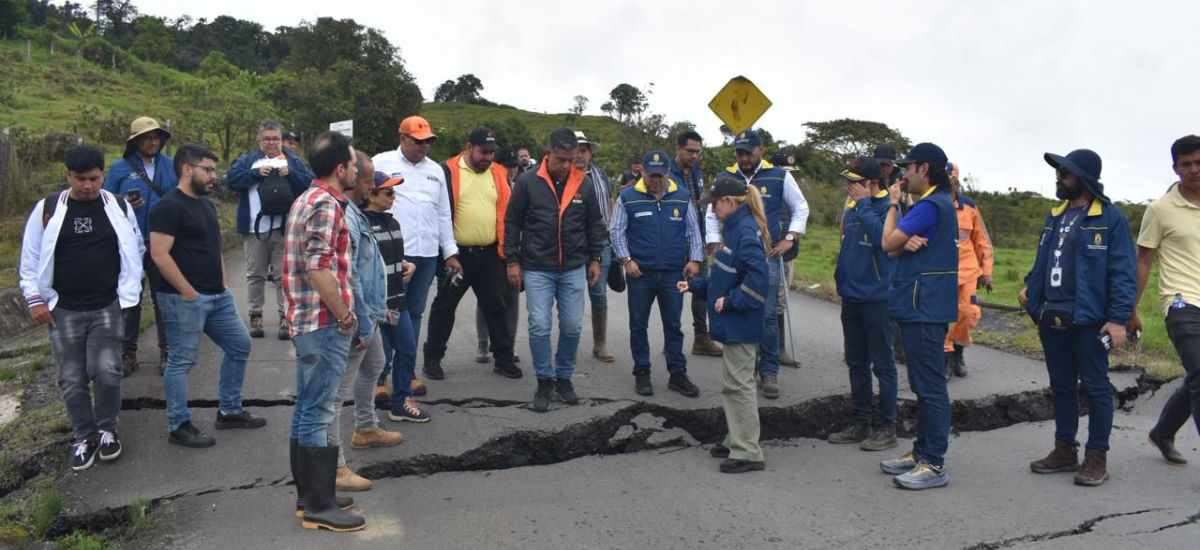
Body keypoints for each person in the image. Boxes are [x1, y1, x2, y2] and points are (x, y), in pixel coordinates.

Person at [21, 145, 144, 471]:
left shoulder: (117, 206)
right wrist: (35, 299)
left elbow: (135, 247)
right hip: (63, 309)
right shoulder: (47, 208)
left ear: (103, 174)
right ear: (67, 175)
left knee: (107, 370)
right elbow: (30, 257)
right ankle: (84, 436)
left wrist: (126, 293)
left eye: (94, 178)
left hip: (107, 305)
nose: (87, 185)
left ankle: (107, 429)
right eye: (80, 179)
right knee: (71, 377)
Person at [1019, 149, 1135, 487]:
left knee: (1096, 387)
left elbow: (1123, 273)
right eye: (1058, 172)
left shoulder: (1110, 218)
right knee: (1061, 386)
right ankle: (1064, 449)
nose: (1058, 178)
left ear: (1083, 178)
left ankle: (1096, 456)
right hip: (1051, 316)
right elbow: (1043, 260)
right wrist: (1029, 286)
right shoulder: (1055, 215)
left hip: (1090, 320)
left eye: (1065, 173)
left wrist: (1117, 319)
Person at [150, 144, 266, 449]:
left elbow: (213, 247)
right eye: (208, 169)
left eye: (214, 170)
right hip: (183, 299)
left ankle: (229, 410)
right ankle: (179, 424)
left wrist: (224, 282)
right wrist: (188, 291)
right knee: (182, 361)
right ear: (187, 169)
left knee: (240, 345)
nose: (214, 176)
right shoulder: (168, 206)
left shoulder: (204, 204)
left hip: (217, 296)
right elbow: (159, 255)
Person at [283, 131, 365, 532]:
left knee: (306, 407)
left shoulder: (305, 199)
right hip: (324, 322)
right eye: (352, 163)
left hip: (307, 321)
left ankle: (309, 497)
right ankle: (320, 506)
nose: (355, 168)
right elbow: (318, 267)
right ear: (339, 168)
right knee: (319, 410)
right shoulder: (329, 205)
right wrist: (345, 315)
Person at [504, 127, 604, 413]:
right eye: (561, 159)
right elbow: (513, 223)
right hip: (537, 267)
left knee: (573, 326)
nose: (566, 166)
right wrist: (513, 261)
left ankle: (563, 377)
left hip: (573, 266)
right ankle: (545, 379)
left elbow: (593, 224)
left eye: (571, 159)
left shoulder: (582, 183)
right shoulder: (527, 182)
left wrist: (595, 258)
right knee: (539, 325)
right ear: (548, 154)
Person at [705, 130, 808, 399]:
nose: (744, 157)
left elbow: (801, 207)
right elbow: (710, 215)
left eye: (748, 152)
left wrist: (789, 237)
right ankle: (746, 365)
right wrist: (715, 244)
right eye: (739, 152)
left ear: (761, 149)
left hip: (768, 256)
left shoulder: (779, 175)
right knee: (737, 306)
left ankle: (769, 368)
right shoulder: (726, 177)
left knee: (768, 312)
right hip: (733, 256)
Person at [877, 142, 957, 490]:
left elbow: (886, 243)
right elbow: (895, 249)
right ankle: (921, 452)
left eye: (908, 168)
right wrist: (898, 241)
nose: (903, 174)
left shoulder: (930, 205)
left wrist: (893, 205)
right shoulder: (935, 204)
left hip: (924, 308)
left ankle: (934, 462)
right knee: (923, 385)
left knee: (930, 387)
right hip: (919, 306)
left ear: (924, 169)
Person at [679, 175, 770, 473]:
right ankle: (735, 439)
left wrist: (731, 302)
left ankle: (747, 451)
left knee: (739, 386)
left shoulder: (745, 232)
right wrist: (695, 286)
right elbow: (724, 279)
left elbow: (757, 285)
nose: (712, 209)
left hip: (740, 323)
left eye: (715, 203)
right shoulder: (733, 229)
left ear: (730, 202)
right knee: (732, 384)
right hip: (733, 322)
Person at [327, 152, 406, 494]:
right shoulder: (343, 213)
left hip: (367, 311)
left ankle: (365, 428)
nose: (370, 184)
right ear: (347, 175)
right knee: (333, 395)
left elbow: (369, 268)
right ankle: (334, 466)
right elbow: (351, 273)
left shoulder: (356, 211)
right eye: (365, 179)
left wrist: (377, 308)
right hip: (353, 315)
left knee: (375, 363)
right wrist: (360, 320)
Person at [422, 127, 520, 379]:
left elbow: (508, 215)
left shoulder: (498, 173)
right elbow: (436, 213)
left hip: (490, 254)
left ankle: (504, 359)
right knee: (444, 306)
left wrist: (510, 254)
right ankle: (432, 359)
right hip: (456, 254)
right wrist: (446, 252)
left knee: (496, 308)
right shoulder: (447, 170)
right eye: (483, 151)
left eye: (491, 152)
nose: (487, 157)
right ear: (468, 147)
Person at [372, 116, 462, 383]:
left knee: (414, 312)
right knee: (389, 314)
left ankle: (406, 369)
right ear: (403, 138)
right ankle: (382, 375)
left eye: (428, 142)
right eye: (418, 141)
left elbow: (444, 214)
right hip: (395, 253)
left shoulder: (435, 170)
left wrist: (450, 252)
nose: (424, 146)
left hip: (427, 255)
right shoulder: (382, 162)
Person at [1129, 135, 1200, 466]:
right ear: (1175, 167)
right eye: (1186, 164)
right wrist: (1129, 308)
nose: (1194, 170)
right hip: (1181, 302)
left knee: (1198, 376)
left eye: (1199, 162)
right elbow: (1143, 260)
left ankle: (1163, 432)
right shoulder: (1160, 209)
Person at [610, 149, 703, 397]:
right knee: (638, 325)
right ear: (643, 172)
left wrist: (695, 259)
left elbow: (693, 231)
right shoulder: (627, 196)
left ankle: (677, 374)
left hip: (674, 274)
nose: (655, 180)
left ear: (667, 173)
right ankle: (642, 372)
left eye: (660, 176)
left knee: (673, 325)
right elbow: (616, 231)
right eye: (651, 175)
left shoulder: (682, 197)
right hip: (641, 274)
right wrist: (626, 260)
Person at [828, 156, 898, 451]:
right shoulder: (855, 208)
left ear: (871, 184)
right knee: (856, 362)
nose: (849, 187)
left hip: (878, 299)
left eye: (854, 183)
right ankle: (861, 421)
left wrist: (866, 204)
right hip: (852, 297)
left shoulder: (888, 208)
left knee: (883, 365)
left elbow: (883, 239)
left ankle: (887, 426)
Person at [102, 116, 178, 376]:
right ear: (135, 141)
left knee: (163, 298)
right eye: (147, 137)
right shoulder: (119, 168)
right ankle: (128, 352)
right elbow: (105, 201)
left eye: (157, 136)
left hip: (163, 241)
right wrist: (122, 202)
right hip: (129, 244)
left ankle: (167, 350)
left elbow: (181, 195)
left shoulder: (171, 165)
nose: (153, 141)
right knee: (130, 297)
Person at [227, 121, 316, 341]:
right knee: (255, 274)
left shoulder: (293, 161)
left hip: (284, 228)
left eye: (275, 138)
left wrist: (291, 174)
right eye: (266, 138)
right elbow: (231, 180)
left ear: (281, 140)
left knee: (283, 275)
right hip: (254, 228)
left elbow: (310, 183)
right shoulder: (248, 161)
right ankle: (255, 316)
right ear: (259, 140)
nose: (271, 142)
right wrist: (255, 174)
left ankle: (285, 316)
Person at [362, 172, 425, 423]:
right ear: (371, 194)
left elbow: (390, 258)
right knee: (372, 362)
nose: (393, 196)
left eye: (394, 191)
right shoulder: (360, 223)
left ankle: (401, 402)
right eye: (388, 192)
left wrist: (407, 264)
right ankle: (365, 414)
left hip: (398, 301)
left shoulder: (392, 222)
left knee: (407, 349)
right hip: (375, 305)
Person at [670, 130, 722, 357]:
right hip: (675, 242)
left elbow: (704, 206)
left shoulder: (697, 171)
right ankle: (672, 340)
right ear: (678, 149)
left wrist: (709, 237)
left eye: (697, 152)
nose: (694, 156)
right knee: (676, 292)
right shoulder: (667, 173)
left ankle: (701, 338)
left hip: (698, 242)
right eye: (690, 151)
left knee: (702, 290)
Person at [944, 163, 994, 379]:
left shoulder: (969, 207)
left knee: (968, 312)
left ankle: (958, 349)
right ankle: (945, 357)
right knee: (943, 316)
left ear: (957, 180)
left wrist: (987, 271)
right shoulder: (932, 204)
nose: (948, 180)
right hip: (941, 273)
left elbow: (982, 241)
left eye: (951, 177)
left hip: (968, 272)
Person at [475, 148, 522, 364]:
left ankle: (508, 346)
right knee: (488, 301)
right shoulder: (487, 186)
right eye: (507, 165)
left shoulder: (520, 187)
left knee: (512, 300)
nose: (511, 170)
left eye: (514, 166)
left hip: (514, 252)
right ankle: (483, 344)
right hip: (492, 252)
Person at [575, 130, 616, 363]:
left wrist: (613, 235)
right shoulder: (564, 175)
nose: (580, 155)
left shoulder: (601, 175)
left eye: (584, 150)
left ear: (590, 153)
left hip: (600, 242)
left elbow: (610, 203)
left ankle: (599, 344)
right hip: (572, 242)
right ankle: (569, 342)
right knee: (571, 294)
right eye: (576, 149)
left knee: (599, 294)